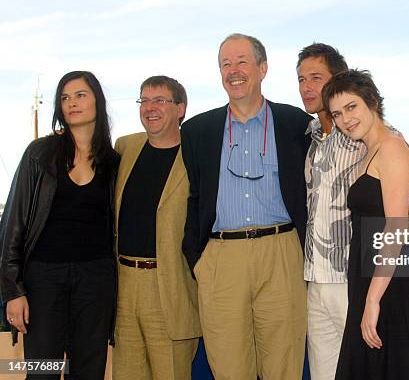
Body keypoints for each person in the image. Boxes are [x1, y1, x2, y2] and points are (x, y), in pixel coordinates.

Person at [181, 33, 312, 379]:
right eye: (225, 64)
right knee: (228, 366)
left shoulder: (296, 123)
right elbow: (192, 197)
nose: (233, 70)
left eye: (241, 61)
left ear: (263, 68)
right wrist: (200, 262)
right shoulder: (197, 130)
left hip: (282, 254)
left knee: (284, 364)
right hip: (222, 259)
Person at [0, 71, 119, 379]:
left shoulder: (114, 161)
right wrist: (13, 290)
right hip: (44, 280)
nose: (71, 103)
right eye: (65, 98)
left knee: (89, 371)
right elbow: (12, 223)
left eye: (80, 95)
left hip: (96, 281)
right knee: (43, 371)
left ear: (97, 101)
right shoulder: (39, 154)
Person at [321, 69, 409, 379]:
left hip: (385, 282)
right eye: (337, 114)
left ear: (373, 102)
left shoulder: (391, 149)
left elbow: (395, 229)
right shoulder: (371, 152)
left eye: (351, 107)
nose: (345, 119)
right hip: (369, 276)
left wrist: (373, 299)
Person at [112, 76, 201, 379]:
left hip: (170, 288)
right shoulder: (125, 147)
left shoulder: (196, 156)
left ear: (180, 109)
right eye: (144, 100)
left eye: (159, 100)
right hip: (124, 285)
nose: (150, 108)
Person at [297, 43, 359, 380]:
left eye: (316, 78)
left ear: (339, 80)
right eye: (301, 79)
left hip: (351, 276)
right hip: (315, 277)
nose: (307, 87)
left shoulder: (366, 137)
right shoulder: (311, 137)